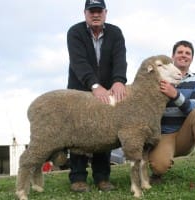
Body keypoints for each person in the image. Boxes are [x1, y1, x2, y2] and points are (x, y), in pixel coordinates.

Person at [66, 0, 127, 192]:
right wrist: (94, 85)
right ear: (85, 13)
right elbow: (78, 62)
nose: (95, 15)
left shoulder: (115, 32)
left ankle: (102, 177)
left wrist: (119, 80)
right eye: (91, 11)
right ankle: (78, 177)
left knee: (104, 132)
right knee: (78, 133)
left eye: (99, 11)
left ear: (105, 13)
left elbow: (120, 58)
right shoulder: (74, 32)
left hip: (107, 92)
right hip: (79, 91)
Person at [148, 40, 195, 191]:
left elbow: (194, 107)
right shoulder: (159, 79)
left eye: (187, 53)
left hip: (186, 134)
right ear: (172, 56)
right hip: (164, 134)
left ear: (192, 58)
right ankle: (157, 170)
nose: (183, 55)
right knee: (159, 166)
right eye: (180, 52)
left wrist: (175, 94)